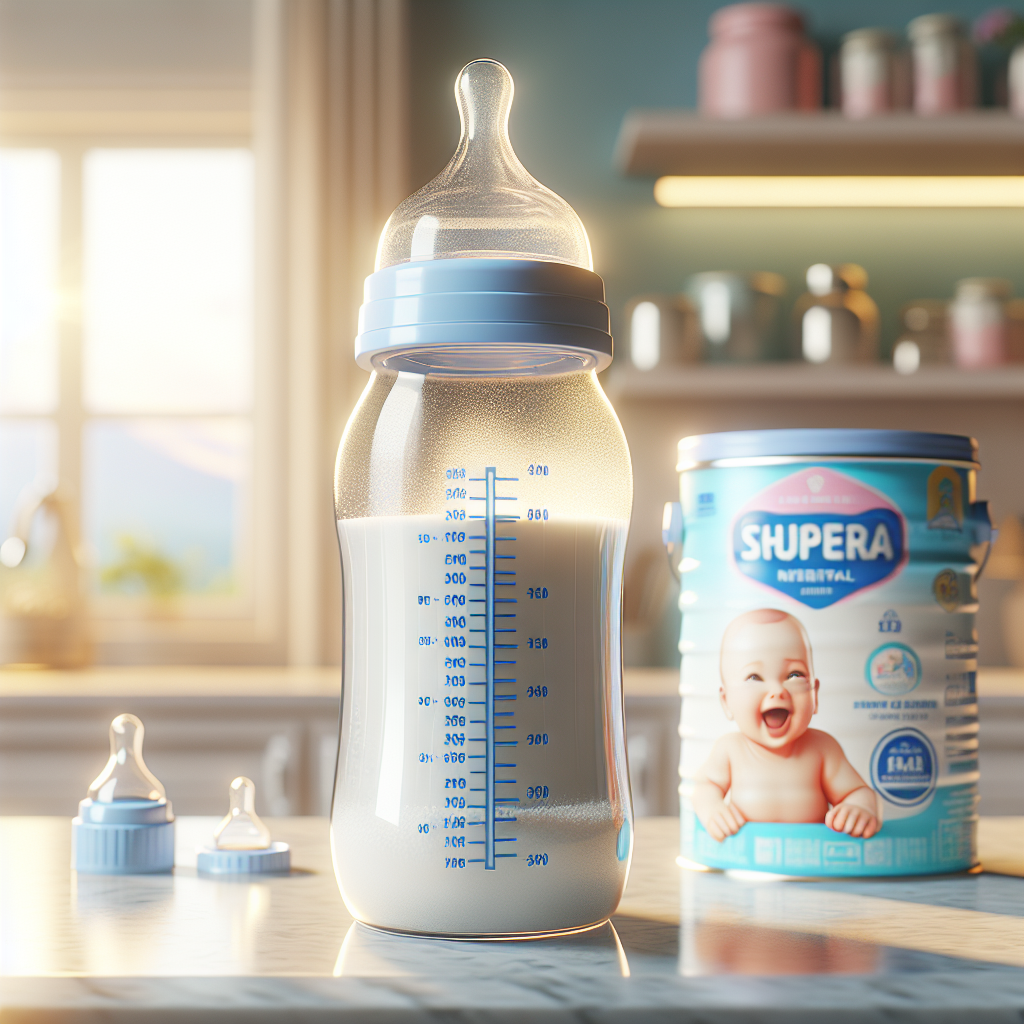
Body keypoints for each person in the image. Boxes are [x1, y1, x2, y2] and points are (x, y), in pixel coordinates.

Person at [692, 608, 880, 842]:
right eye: (754, 677)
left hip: (812, 858)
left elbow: (857, 792)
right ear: (726, 700)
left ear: (814, 694)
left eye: (794, 675)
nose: (777, 691)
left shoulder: (822, 748)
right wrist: (712, 809)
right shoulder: (731, 749)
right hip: (748, 859)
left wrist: (858, 809)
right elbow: (704, 787)